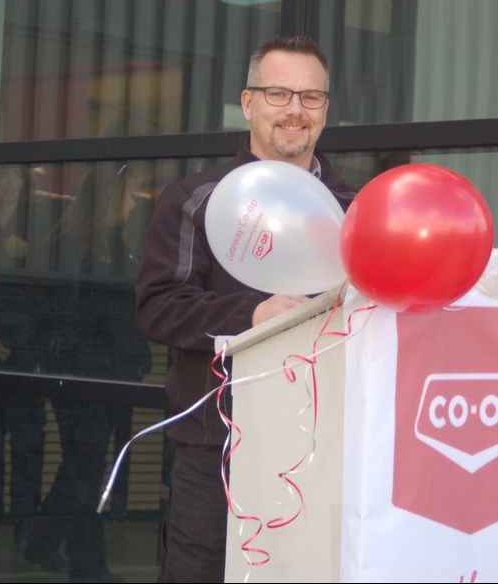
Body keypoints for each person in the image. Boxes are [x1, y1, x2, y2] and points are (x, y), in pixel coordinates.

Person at [135, 37, 355, 583]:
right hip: (220, 445)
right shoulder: (196, 198)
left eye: (310, 96)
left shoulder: (355, 211)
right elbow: (160, 307)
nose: (295, 110)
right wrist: (253, 317)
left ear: (326, 109)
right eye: (278, 93)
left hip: (325, 444)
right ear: (248, 102)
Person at [25, 164, 151, 582]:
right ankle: (87, 564)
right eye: (130, 193)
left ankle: (42, 539)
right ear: (111, 197)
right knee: (86, 469)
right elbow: (76, 318)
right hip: (85, 379)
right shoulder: (82, 250)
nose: (134, 203)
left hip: (105, 378)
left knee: (82, 466)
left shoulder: (112, 247)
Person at [0, 165, 47, 547]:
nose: (8, 184)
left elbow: (46, 292)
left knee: (28, 446)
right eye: (2, 176)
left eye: (14, 177)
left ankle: (26, 527)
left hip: (26, 350)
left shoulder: (38, 223)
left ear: (24, 183)